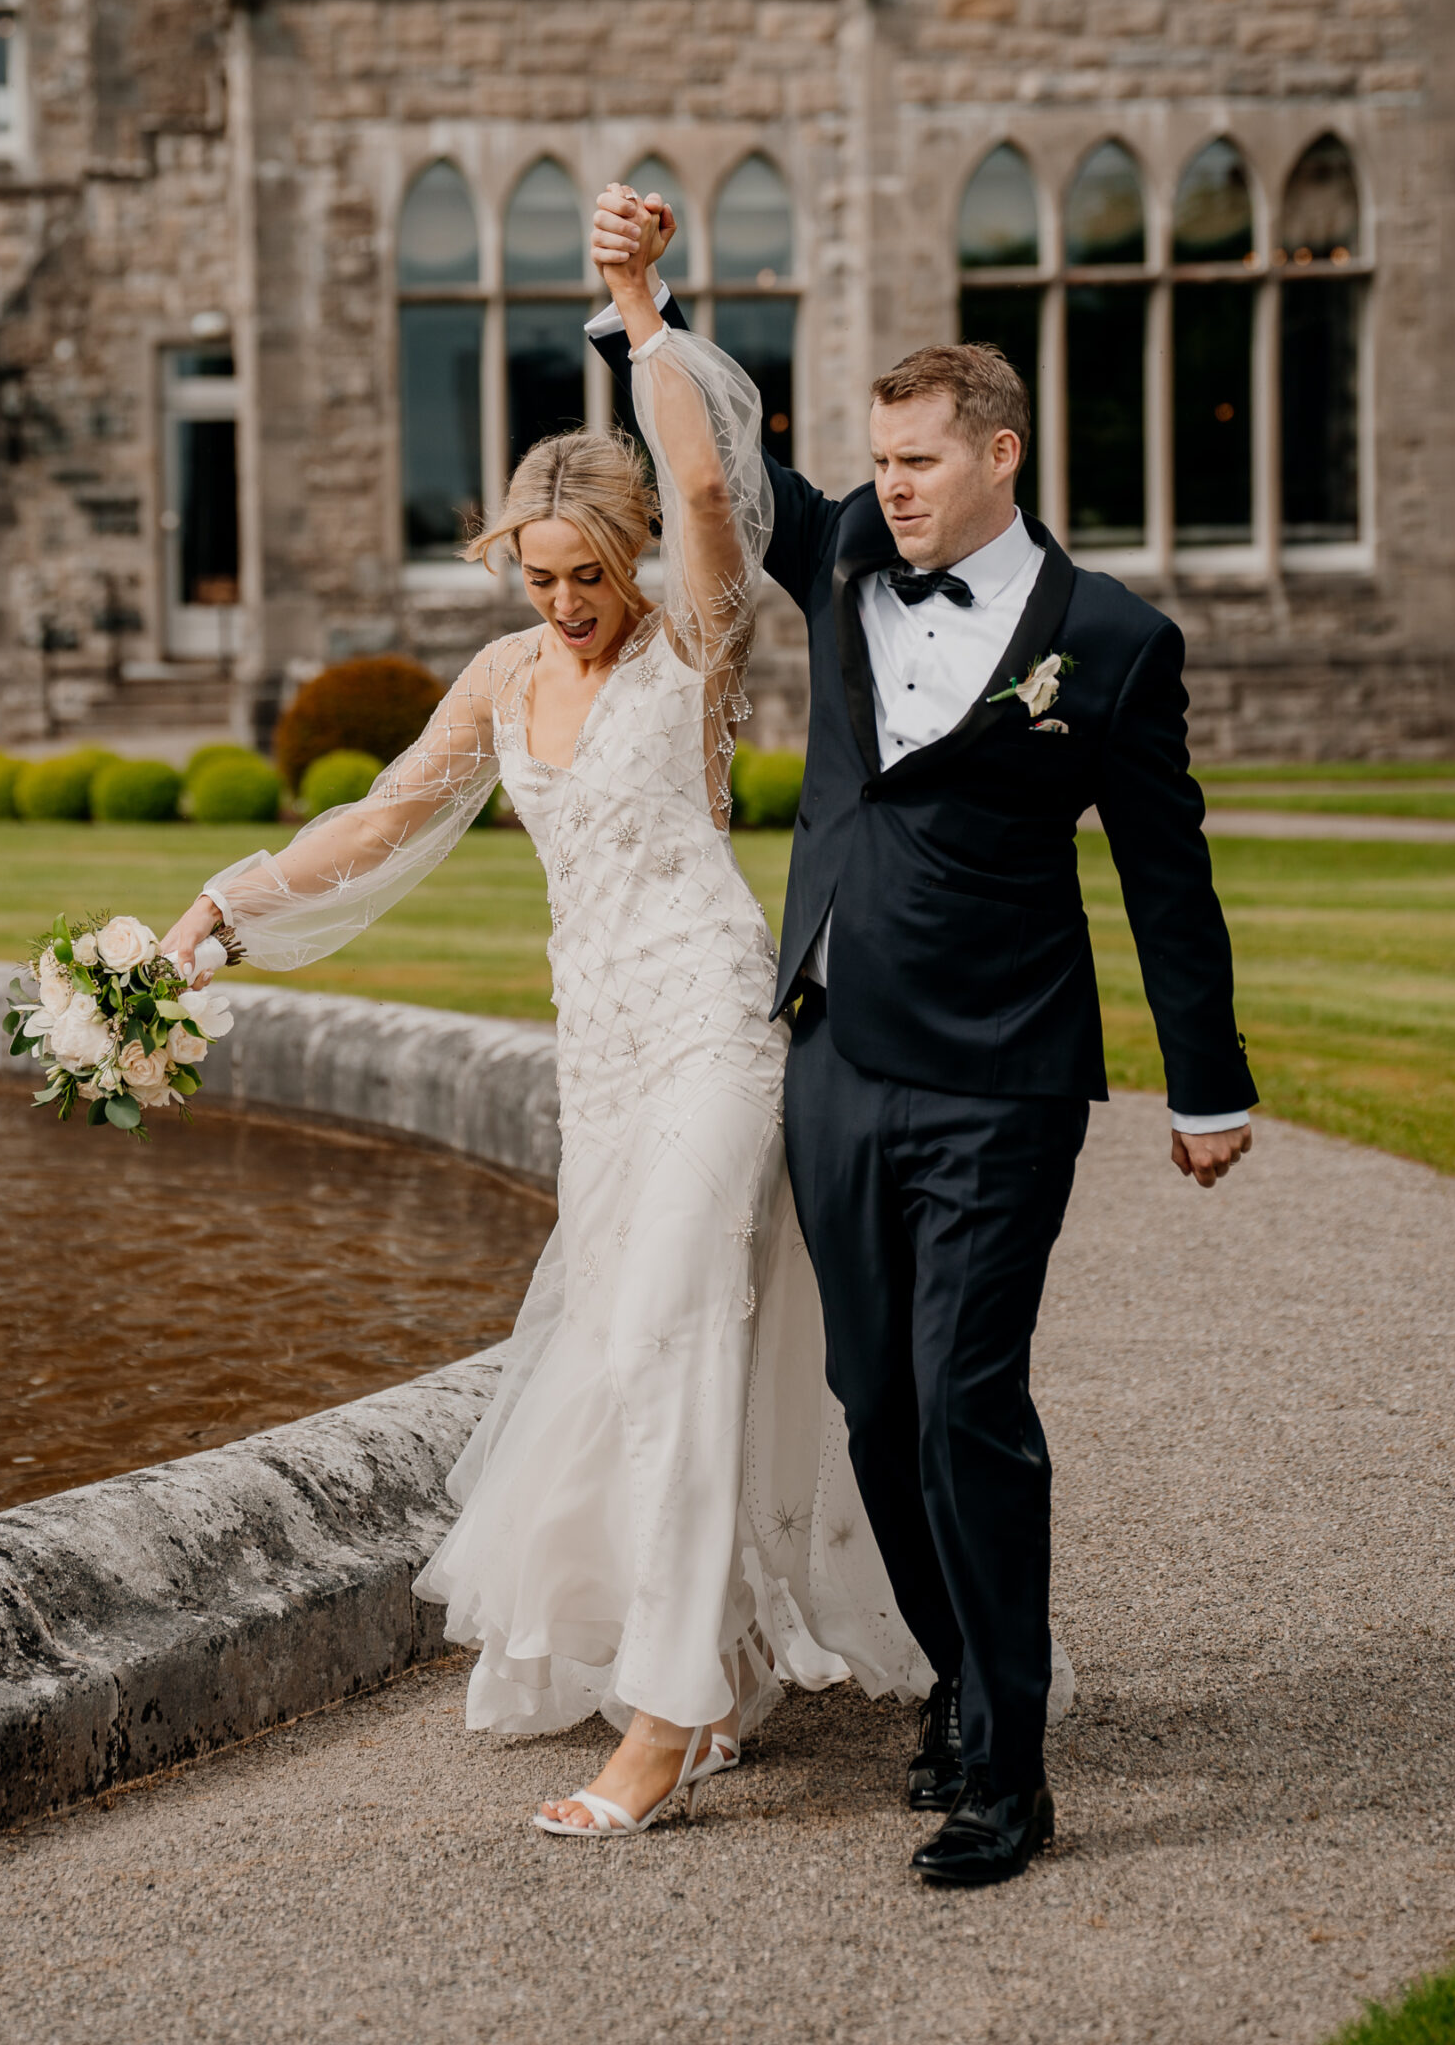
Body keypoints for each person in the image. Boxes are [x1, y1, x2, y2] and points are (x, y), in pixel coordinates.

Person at [160, 192, 933, 1840]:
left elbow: (716, 480)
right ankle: (708, 1665)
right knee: (634, 1351)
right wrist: (221, 912)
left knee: (668, 1329)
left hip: (719, 1029)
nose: (568, 602)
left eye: (589, 573)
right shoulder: (506, 680)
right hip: (601, 1055)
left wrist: (642, 311)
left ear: (635, 557)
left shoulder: (700, 646)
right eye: (542, 574)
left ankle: (666, 1720)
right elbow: (372, 823)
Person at [587, 184, 1257, 1887]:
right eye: (878, 458)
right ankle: (958, 1685)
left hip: (1006, 1076)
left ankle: (1012, 1776)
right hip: (837, 1060)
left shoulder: (1110, 645)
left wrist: (1208, 1081)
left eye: (920, 459)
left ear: (1002, 454)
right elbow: (716, 470)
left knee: (970, 1403)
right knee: (876, 1404)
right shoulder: (840, 561)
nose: (891, 483)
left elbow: (1167, 876)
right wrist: (647, 310)